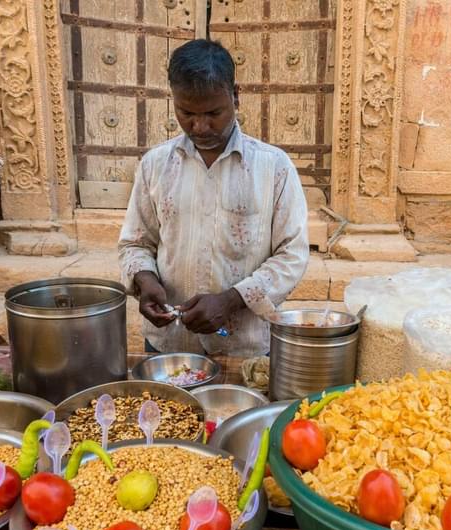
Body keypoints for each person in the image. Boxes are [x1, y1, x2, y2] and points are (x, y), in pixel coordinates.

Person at [118, 40, 309, 357]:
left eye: (213, 113)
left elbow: (292, 255)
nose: (200, 126)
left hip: (244, 347)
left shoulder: (274, 167)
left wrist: (231, 300)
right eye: (186, 112)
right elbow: (136, 242)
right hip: (169, 343)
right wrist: (145, 280)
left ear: (236, 94)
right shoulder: (155, 164)